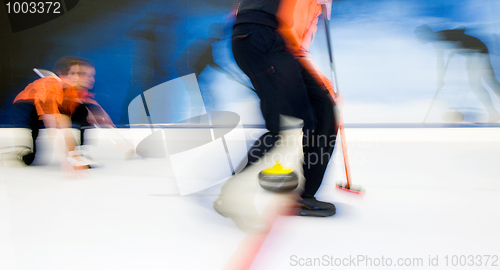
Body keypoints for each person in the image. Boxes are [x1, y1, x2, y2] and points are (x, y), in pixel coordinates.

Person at [213, 0, 339, 233]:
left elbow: (296, 37)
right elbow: (293, 31)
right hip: (261, 36)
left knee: (321, 111)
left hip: (273, 39)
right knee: (289, 126)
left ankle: (301, 196)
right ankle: (233, 197)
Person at [12, 57, 90, 169]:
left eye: (78, 73)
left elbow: (65, 120)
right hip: (26, 106)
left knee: (82, 110)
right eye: (72, 73)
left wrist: (73, 153)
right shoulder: (48, 89)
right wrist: (64, 162)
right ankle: (28, 153)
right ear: (61, 75)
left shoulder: (71, 89)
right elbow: (52, 127)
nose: (77, 77)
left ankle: (78, 153)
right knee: (31, 160)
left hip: (48, 106)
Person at [414, 24, 500, 122]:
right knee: (489, 83)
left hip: (477, 52)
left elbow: (462, 29)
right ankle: (494, 113)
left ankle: (494, 114)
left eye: (418, 36)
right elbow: (440, 62)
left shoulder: (440, 36)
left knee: (479, 85)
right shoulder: (437, 41)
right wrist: (440, 79)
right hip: (474, 54)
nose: (418, 39)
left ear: (425, 34)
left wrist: (456, 46)